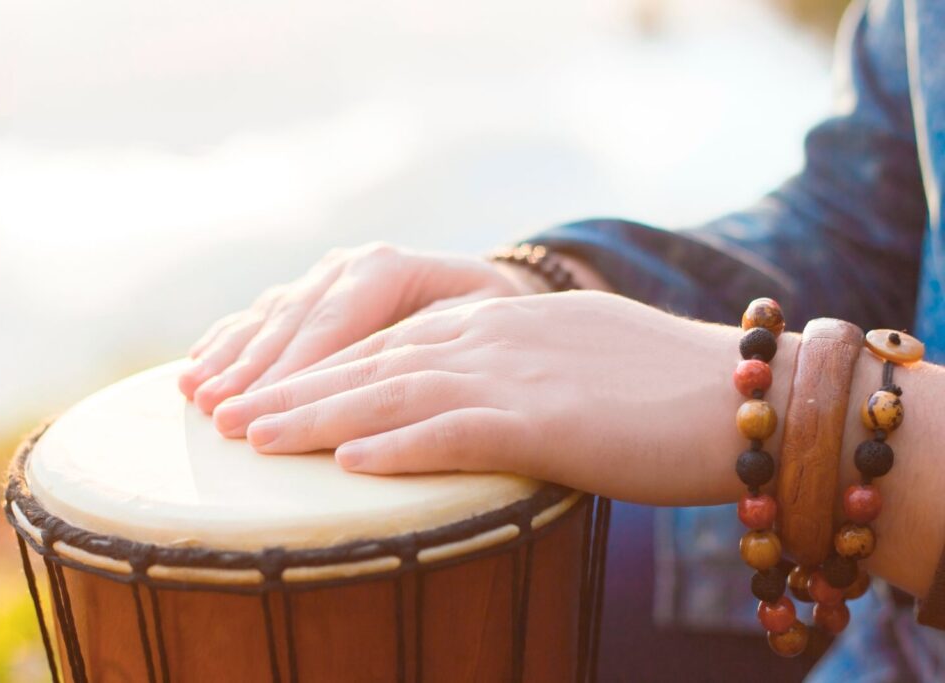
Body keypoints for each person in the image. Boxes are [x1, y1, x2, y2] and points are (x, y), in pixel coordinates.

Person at [178, 0, 945, 679]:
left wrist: (803, 415)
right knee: (399, 590)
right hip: (885, 614)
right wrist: (556, 283)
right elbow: (861, 224)